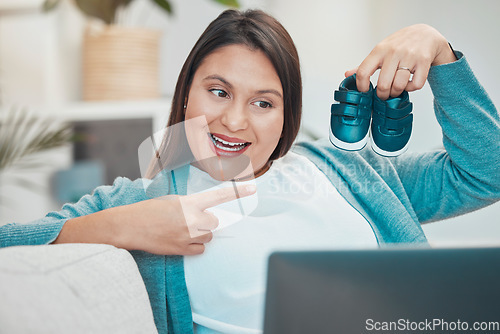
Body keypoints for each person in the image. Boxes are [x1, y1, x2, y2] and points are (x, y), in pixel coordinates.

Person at [1, 8, 499, 334]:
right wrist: (122, 226)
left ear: (288, 115)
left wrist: (438, 49)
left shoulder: (351, 174)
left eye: (264, 102)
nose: (234, 121)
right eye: (218, 91)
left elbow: (487, 172)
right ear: (186, 92)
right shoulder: (142, 200)